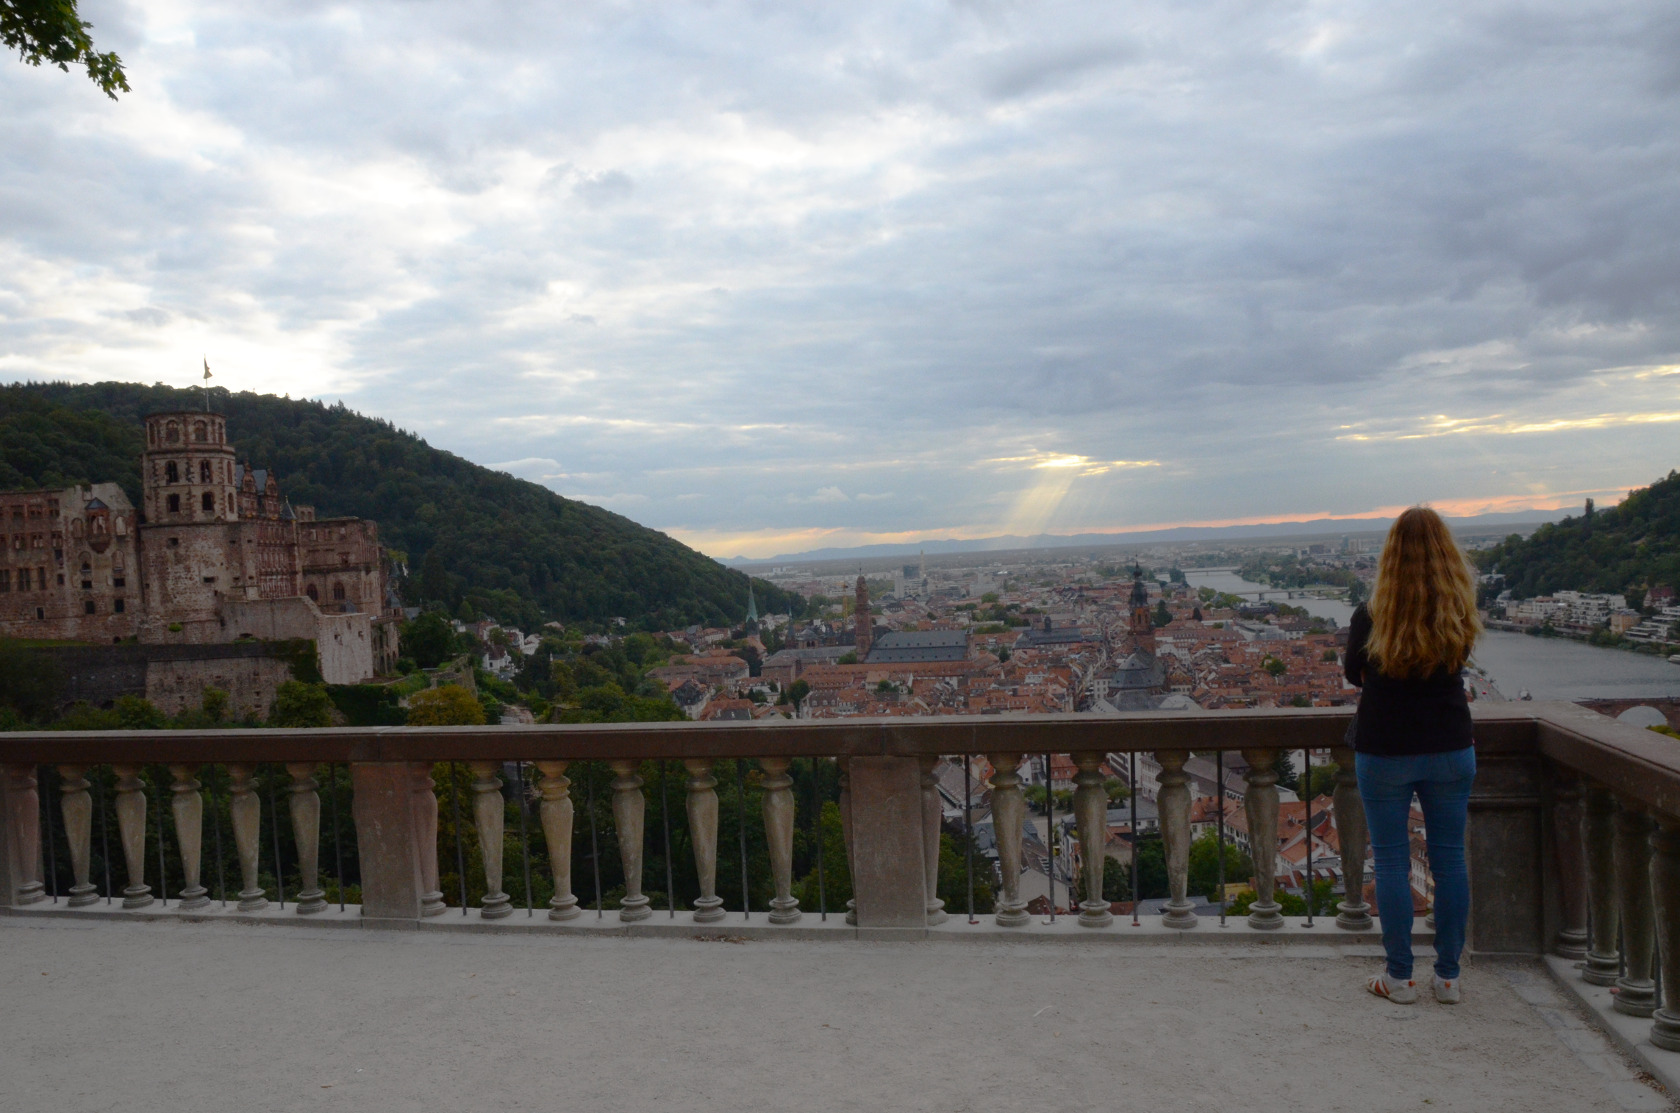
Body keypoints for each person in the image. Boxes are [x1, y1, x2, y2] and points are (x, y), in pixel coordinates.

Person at [1343, 506, 1481, 1005]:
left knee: (1392, 863)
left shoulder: (1372, 613)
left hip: (1385, 748)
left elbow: (1352, 673)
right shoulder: (1460, 607)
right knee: (1449, 863)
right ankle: (1448, 978)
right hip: (1449, 746)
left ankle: (1399, 977)